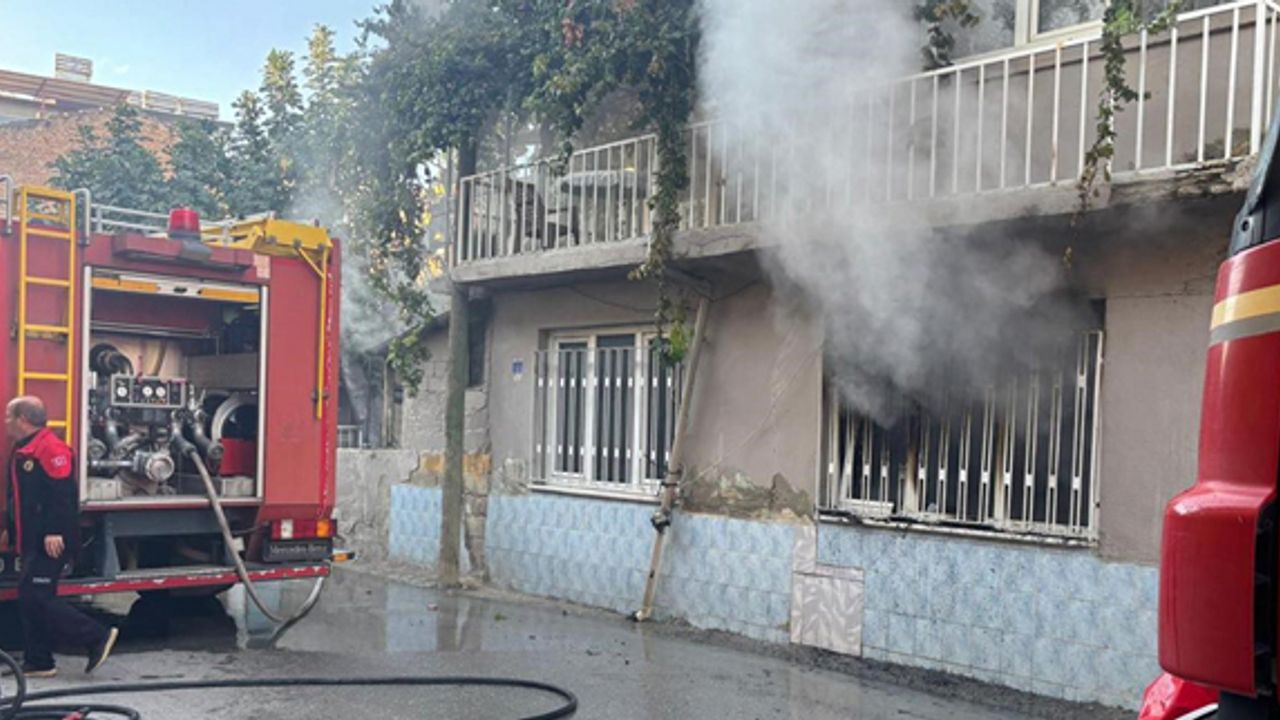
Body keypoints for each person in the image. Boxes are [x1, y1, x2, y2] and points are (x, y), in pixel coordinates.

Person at [4, 396, 117, 678]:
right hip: (31, 538)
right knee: (30, 597)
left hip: (52, 540)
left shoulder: (51, 449)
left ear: (23, 420)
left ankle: (95, 637)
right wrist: (10, 528)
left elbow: (62, 496)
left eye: (9, 417)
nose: (5, 423)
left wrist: (55, 531)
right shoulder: (23, 449)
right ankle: (39, 661)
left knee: (37, 596)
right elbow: (20, 497)